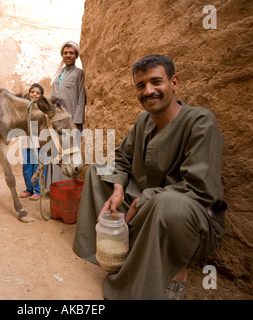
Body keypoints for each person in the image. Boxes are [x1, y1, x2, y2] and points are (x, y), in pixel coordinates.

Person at [72, 54, 227, 300]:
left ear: (174, 83)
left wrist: (146, 199)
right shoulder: (144, 120)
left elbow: (200, 188)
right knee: (95, 171)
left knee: (167, 205)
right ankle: (116, 250)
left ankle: (176, 270)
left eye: (156, 82)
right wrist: (118, 188)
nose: (149, 91)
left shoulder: (200, 121)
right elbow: (122, 158)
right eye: (141, 85)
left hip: (186, 214)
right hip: (140, 201)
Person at [46, 40, 86, 191]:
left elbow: (81, 98)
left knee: (70, 156)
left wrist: (76, 122)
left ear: (76, 56)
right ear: (62, 55)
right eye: (65, 53)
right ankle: (55, 190)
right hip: (56, 123)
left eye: (71, 53)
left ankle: (68, 190)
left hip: (70, 124)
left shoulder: (79, 74)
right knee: (56, 154)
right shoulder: (57, 75)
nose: (68, 55)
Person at [19, 83, 47, 201]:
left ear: (41, 96)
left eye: (37, 93)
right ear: (29, 93)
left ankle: (38, 190)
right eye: (32, 92)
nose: (34, 94)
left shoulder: (43, 109)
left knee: (38, 167)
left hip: (39, 143)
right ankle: (29, 189)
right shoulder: (24, 106)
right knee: (26, 167)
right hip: (26, 142)